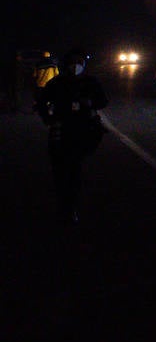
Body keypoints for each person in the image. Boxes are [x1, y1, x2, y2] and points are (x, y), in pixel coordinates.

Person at [35, 48, 108, 222]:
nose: (75, 66)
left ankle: (70, 207)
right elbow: (41, 101)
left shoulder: (91, 82)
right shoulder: (57, 83)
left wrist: (89, 102)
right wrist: (48, 118)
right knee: (59, 168)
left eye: (79, 62)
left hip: (82, 129)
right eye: (72, 62)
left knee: (74, 167)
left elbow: (103, 101)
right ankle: (63, 203)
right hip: (61, 129)